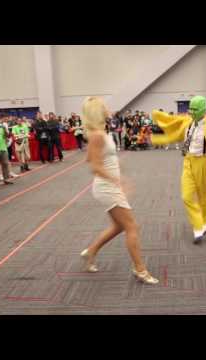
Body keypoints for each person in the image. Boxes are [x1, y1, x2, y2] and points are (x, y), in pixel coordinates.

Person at [79, 96, 158, 284]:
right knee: (132, 226)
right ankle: (140, 269)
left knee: (119, 226)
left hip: (109, 185)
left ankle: (90, 252)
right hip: (107, 187)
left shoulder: (100, 133)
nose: (108, 107)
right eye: (104, 106)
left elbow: (90, 158)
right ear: (97, 111)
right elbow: (94, 167)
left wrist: (114, 163)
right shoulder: (98, 135)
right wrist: (119, 179)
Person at [151, 95, 206, 244]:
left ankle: (204, 222)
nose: (190, 112)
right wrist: (159, 136)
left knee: (203, 196)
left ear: (203, 110)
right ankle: (197, 226)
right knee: (186, 196)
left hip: (204, 162)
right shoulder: (188, 121)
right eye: (190, 108)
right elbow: (175, 130)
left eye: (194, 109)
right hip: (187, 161)